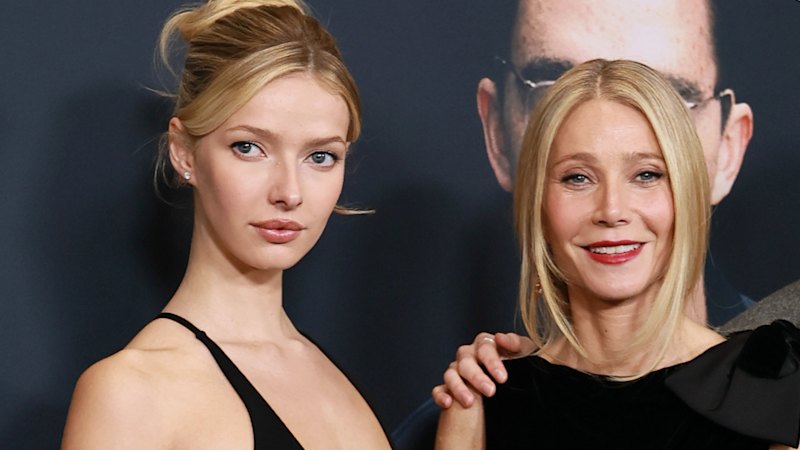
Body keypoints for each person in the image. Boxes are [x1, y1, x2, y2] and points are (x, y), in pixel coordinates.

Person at [61, 1, 392, 448]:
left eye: (320, 156)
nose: (289, 192)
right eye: (249, 147)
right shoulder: (132, 392)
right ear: (184, 151)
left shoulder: (331, 376)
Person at [435, 59, 800, 450]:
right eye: (578, 177)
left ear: (686, 194)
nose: (611, 210)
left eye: (646, 175)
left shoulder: (771, 382)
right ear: (538, 205)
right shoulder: (485, 397)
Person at [478, 0, 754, 326]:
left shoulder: (781, 354)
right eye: (555, 89)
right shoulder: (500, 359)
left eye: (667, 98)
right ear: (497, 132)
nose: (612, 210)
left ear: (728, 147)